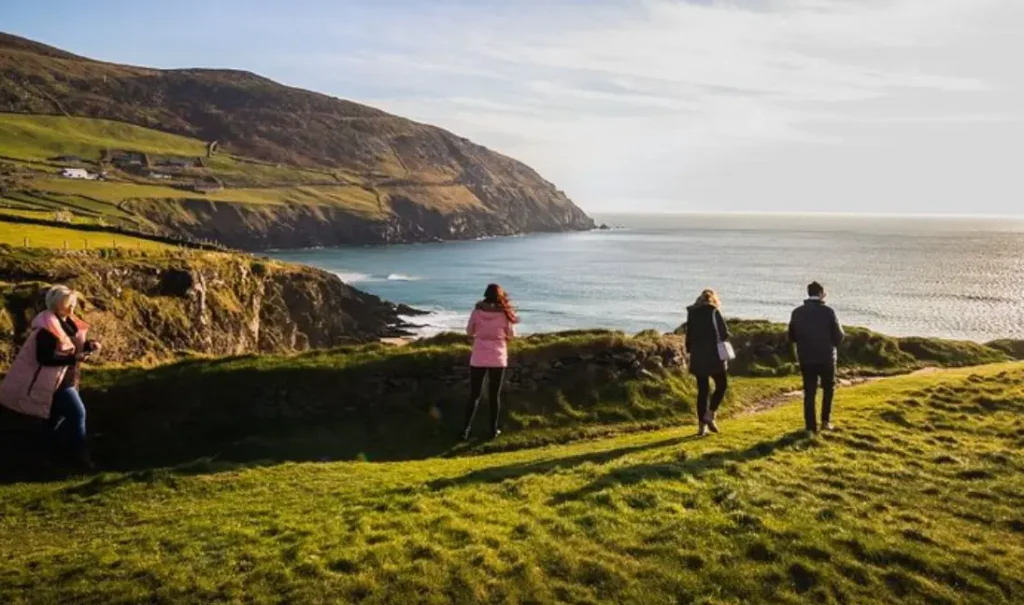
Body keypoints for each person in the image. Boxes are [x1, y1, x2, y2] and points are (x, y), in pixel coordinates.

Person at [0, 285, 101, 469]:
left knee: (52, 420)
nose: (72, 308)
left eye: (72, 304)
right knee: (78, 413)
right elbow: (44, 358)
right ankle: (81, 458)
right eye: (67, 304)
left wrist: (88, 346)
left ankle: (41, 458)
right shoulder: (46, 331)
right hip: (55, 384)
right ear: (56, 305)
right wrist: (73, 358)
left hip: (62, 380)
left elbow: (72, 346)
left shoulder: (67, 323)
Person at [461, 283, 518, 441]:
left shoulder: (477, 311)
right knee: (494, 396)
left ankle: (465, 430)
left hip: (478, 356)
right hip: (497, 357)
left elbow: (469, 331)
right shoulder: (504, 313)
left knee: (474, 395)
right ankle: (492, 431)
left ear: (485, 294)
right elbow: (511, 334)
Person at [789, 281, 844, 433]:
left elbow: (791, 336)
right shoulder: (828, 312)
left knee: (809, 392)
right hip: (826, 356)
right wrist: (833, 344)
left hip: (806, 357)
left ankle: (810, 427)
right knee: (828, 389)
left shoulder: (797, 312)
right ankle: (825, 421)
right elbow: (838, 335)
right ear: (821, 294)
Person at [685, 288, 730, 437]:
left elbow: (689, 336)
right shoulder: (714, 312)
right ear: (713, 299)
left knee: (702, 391)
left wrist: (691, 351)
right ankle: (711, 414)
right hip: (714, 355)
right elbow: (724, 334)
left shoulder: (692, 313)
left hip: (698, 355)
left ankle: (701, 427)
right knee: (722, 385)